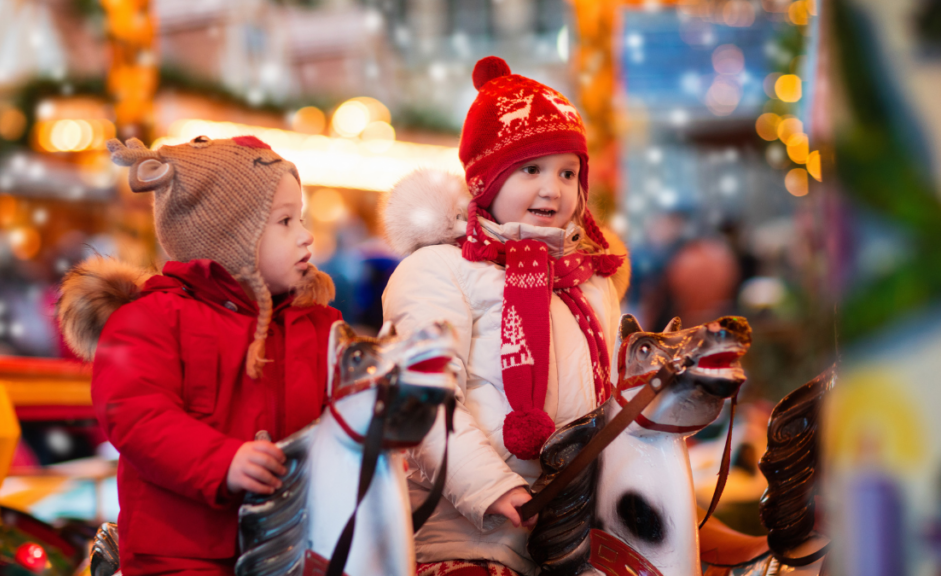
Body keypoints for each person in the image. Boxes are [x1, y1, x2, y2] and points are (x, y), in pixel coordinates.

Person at [381, 57, 631, 575]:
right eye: (531, 170)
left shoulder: (590, 278)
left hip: (578, 520)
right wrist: (490, 487)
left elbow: (610, 392)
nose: (552, 189)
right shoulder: (440, 269)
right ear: (485, 182)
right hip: (467, 529)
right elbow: (422, 400)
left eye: (568, 172)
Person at [57, 135, 339, 576]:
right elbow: (137, 415)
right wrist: (222, 461)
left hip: (295, 543)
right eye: (284, 221)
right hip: (183, 553)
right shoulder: (152, 319)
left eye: (299, 218)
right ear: (230, 237)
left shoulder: (315, 323)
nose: (305, 236)